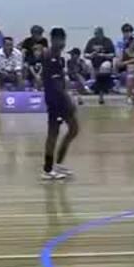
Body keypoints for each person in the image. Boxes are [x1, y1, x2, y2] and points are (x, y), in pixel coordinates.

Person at [40, 28, 80, 181]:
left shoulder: (57, 56)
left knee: (74, 129)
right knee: (53, 134)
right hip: (55, 100)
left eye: (64, 40)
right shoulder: (49, 56)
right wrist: (68, 100)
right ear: (53, 40)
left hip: (60, 98)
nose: (62, 43)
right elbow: (55, 85)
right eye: (59, 40)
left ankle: (58, 163)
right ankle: (47, 169)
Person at [0, 36, 24, 107]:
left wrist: (12, 72)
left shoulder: (18, 53)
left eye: (11, 44)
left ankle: (20, 98)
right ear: (3, 45)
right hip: (1, 73)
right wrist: (2, 72)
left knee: (19, 74)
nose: (10, 46)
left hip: (13, 73)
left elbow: (19, 66)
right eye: (7, 45)